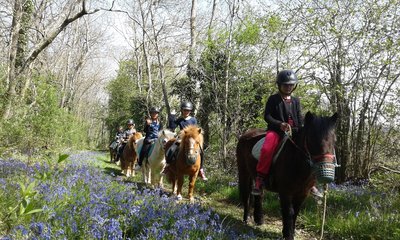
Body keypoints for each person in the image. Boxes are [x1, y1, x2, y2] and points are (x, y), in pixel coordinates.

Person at [251, 70, 322, 198]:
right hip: (276, 131)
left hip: (294, 132)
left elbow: (299, 118)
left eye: (291, 85)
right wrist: (279, 124)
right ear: (279, 85)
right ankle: (260, 179)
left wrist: (302, 128)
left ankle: (310, 183)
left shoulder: (295, 101)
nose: (288, 87)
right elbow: (267, 116)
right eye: (285, 85)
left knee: (308, 149)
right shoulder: (273, 99)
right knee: (267, 148)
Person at [162, 101, 208, 181]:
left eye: (188, 110)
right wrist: (172, 116)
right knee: (171, 149)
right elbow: (172, 127)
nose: (186, 112)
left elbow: (195, 130)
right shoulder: (180, 120)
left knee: (201, 151)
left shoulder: (193, 119)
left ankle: (201, 169)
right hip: (181, 138)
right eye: (185, 110)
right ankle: (168, 165)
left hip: (191, 139)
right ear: (182, 110)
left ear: (190, 111)